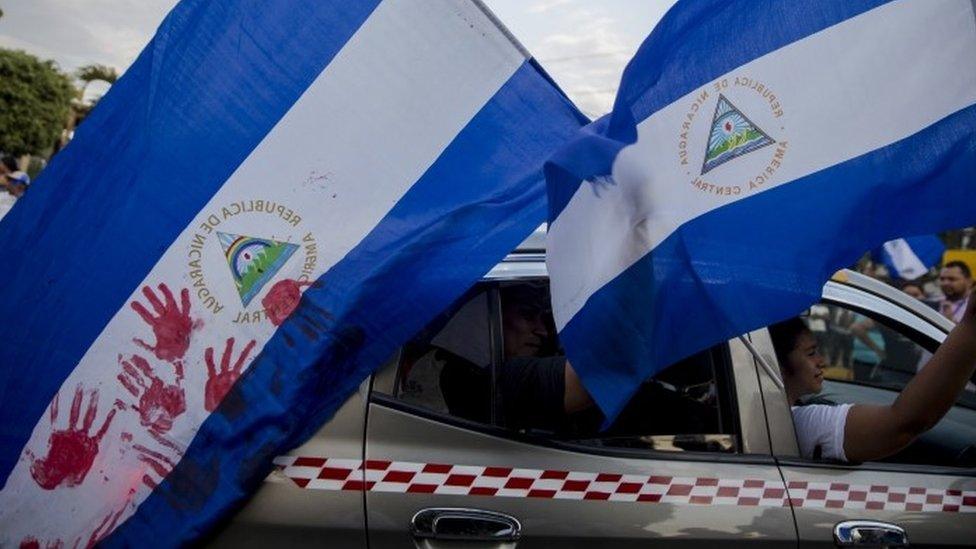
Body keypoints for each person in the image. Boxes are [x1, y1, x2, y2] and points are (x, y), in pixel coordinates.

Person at [769, 296, 976, 463]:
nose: (821, 361)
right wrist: (970, 325)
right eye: (811, 353)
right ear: (776, 363)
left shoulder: (776, 419)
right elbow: (903, 423)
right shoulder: (799, 423)